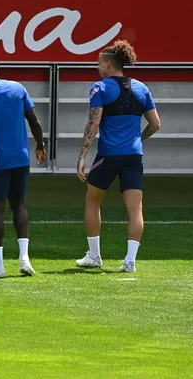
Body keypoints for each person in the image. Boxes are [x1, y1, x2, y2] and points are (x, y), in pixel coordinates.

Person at [75, 40, 160, 272]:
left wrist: (82, 156)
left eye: (99, 63)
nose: (97, 67)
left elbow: (93, 123)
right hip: (134, 156)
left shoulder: (100, 88)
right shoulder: (142, 88)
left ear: (109, 64)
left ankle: (94, 256)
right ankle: (130, 261)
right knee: (135, 209)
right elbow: (155, 124)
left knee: (92, 201)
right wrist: (137, 140)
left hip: (108, 156)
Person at [0, 49, 47, 278]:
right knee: (19, 205)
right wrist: (40, 146)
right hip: (21, 158)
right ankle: (24, 258)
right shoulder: (17, 87)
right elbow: (34, 120)